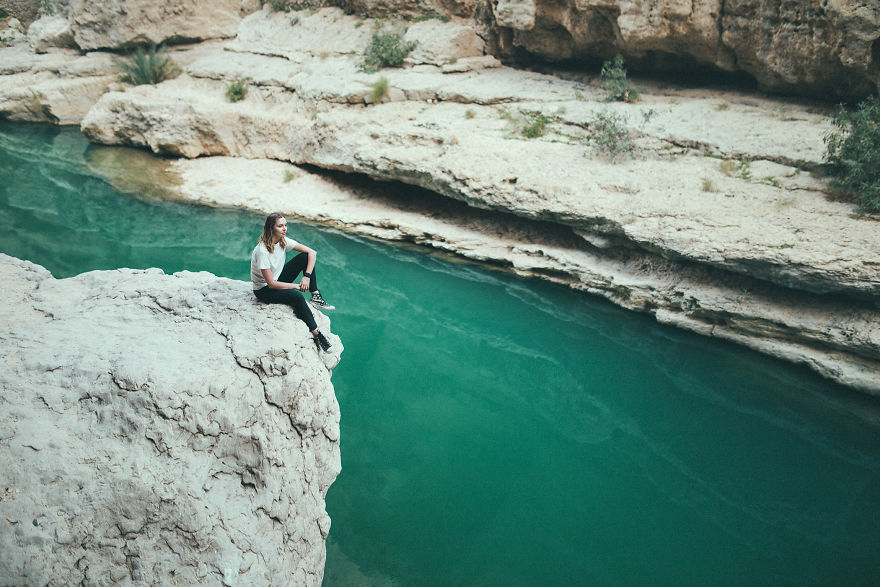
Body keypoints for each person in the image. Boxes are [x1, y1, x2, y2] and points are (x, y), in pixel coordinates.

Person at [251, 212, 335, 352]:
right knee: (297, 296)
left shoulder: (282, 241)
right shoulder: (262, 251)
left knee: (304, 257)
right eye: (280, 226)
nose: (284, 229)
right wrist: (297, 286)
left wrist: (306, 276)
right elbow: (271, 284)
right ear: (271, 229)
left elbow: (312, 253)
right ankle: (318, 334)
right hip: (264, 290)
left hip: (277, 280)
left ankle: (315, 296)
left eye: (285, 225)